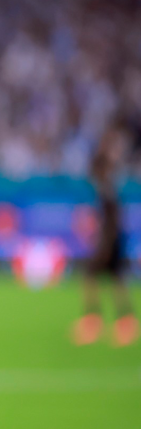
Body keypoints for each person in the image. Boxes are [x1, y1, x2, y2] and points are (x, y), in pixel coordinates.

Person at [73, 118, 139, 346]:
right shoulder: (107, 188)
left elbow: (112, 223)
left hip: (110, 243)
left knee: (93, 278)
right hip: (113, 242)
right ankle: (124, 323)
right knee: (115, 281)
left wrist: (104, 246)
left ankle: (94, 321)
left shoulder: (106, 191)